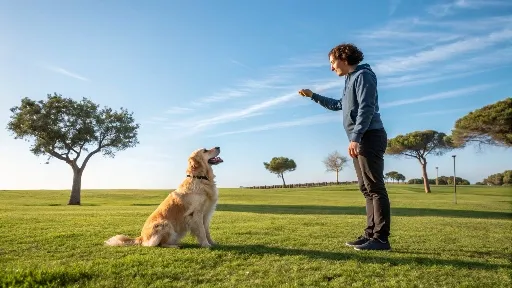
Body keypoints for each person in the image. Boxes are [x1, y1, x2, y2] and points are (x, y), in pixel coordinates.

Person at [298, 43, 391, 251]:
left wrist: (356, 137)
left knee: (375, 188)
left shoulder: (363, 75)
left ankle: (381, 239)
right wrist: (313, 96)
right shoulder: (350, 80)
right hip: (360, 138)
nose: (332, 68)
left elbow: (366, 108)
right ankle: (370, 234)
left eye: (332, 62)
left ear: (344, 58)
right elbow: (338, 104)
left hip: (369, 136)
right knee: (366, 188)